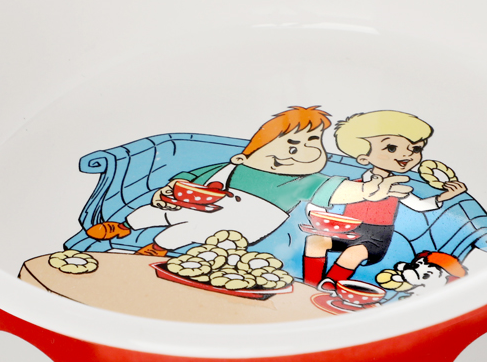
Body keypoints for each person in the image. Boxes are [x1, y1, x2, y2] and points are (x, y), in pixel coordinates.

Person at [82, 105, 413, 255]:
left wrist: (372, 189)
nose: (300, 152)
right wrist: (169, 190)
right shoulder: (234, 167)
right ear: (245, 156)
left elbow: (341, 189)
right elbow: (188, 178)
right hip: (196, 204)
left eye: (312, 143)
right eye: (291, 144)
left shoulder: (304, 181)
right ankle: (122, 227)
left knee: (187, 233)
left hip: (243, 223)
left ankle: (155, 250)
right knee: (156, 213)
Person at [302, 109, 467, 287]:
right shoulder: (354, 186)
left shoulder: (396, 188)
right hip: (346, 231)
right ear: (363, 158)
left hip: (375, 238)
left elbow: (419, 205)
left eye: (416, 148)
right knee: (314, 241)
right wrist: (316, 215)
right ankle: (311, 284)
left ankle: (331, 284)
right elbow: (320, 201)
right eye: (391, 148)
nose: (407, 155)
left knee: (353, 254)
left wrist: (444, 196)